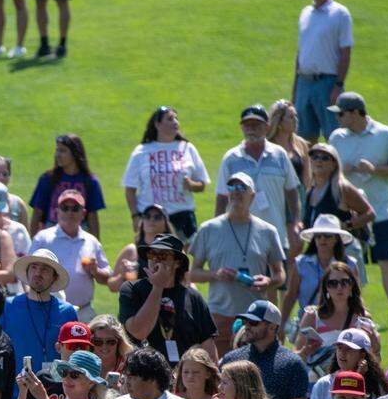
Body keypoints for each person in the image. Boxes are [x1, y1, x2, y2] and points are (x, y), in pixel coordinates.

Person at [189, 172, 286, 355]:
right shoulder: (209, 229)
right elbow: (193, 273)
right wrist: (215, 274)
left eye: (242, 188)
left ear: (253, 196)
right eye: (232, 188)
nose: (236, 192)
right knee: (219, 370)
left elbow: (280, 275)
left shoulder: (267, 231)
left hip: (255, 317)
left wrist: (268, 281)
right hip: (220, 313)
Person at [328, 92, 388, 326]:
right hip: (349, 216)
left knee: (387, 262)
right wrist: (342, 169)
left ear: (356, 113)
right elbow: (326, 170)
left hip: (381, 211)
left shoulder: (384, 134)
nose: (337, 118)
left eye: (341, 113)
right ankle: (358, 316)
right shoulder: (336, 138)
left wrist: (375, 169)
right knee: (350, 267)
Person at [215, 104, 303, 256]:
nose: (251, 129)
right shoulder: (231, 158)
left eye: (256, 125)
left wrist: (296, 221)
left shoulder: (279, 155)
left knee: (277, 279)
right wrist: (218, 228)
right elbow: (222, 197)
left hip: (276, 238)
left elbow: (292, 191)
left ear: (267, 127)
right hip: (240, 239)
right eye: (247, 125)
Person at [119, 233, 216, 363]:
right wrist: (158, 287)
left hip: (183, 377)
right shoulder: (131, 289)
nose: (155, 260)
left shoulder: (193, 297)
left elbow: (209, 352)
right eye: (152, 254)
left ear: (177, 262)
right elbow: (139, 332)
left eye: (163, 255)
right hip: (144, 374)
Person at [223, 300, 309, 399]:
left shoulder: (292, 363)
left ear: (272, 327)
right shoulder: (232, 359)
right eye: (246, 322)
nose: (247, 327)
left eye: (254, 323)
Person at [123, 106, 210, 243]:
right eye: (170, 119)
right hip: (152, 216)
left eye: (176, 118)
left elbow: (202, 184)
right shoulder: (142, 151)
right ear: (157, 124)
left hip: (182, 215)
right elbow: (129, 189)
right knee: (151, 258)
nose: (175, 122)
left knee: (183, 259)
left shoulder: (187, 148)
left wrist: (192, 185)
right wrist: (135, 216)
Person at [29, 188, 109, 321]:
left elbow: (107, 279)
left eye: (75, 208)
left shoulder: (91, 241)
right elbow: (28, 274)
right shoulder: (43, 238)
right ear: (57, 211)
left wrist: (96, 271)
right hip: (50, 312)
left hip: (83, 313)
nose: (70, 212)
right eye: (65, 208)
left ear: (83, 213)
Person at [293, 0, 352, 143]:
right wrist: (295, 89)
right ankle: (308, 171)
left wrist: (338, 85)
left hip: (327, 83)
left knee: (333, 134)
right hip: (304, 82)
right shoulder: (305, 13)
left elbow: (345, 52)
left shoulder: (340, 13)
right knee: (303, 138)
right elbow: (301, 52)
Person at [300, 143, 372, 272]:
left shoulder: (341, 188)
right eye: (315, 157)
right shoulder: (310, 190)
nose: (319, 161)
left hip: (344, 250)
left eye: (325, 158)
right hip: (320, 253)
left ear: (334, 164)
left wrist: (347, 225)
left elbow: (369, 213)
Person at [304, 328, 388, 399]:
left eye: (349, 349)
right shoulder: (323, 384)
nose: (342, 353)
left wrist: (359, 379)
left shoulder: (376, 386)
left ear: (362, 355)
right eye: (339, 348)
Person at [293, 260, 374, 371]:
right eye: (333, 283)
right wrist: (304, 352)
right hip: (318, 382)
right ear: (326, 288)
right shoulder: (312, 316)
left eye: (345, 282)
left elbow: (375, 356)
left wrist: (373, 340)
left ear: (352, 286)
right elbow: (294, 355)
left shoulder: (363, 318)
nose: (339, 287)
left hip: (353, 381)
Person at [29, 133, 104, 237]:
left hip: (80, 234)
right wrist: (33, 242)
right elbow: (37, 213)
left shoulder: (90, 181)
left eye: (63, 151)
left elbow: (92, 217)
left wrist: (95, 245)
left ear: (75, 154)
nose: (58, 155)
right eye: (57, 150)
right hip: (52, 233)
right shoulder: (47, 179)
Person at [268, 99, 311, 192]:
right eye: (291, 117)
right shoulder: (267, 145)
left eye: (296, 116)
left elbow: (307, 179)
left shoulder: (301, 144)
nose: (296, 120)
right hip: (275, 195)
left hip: (298, 196)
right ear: (279, 122)